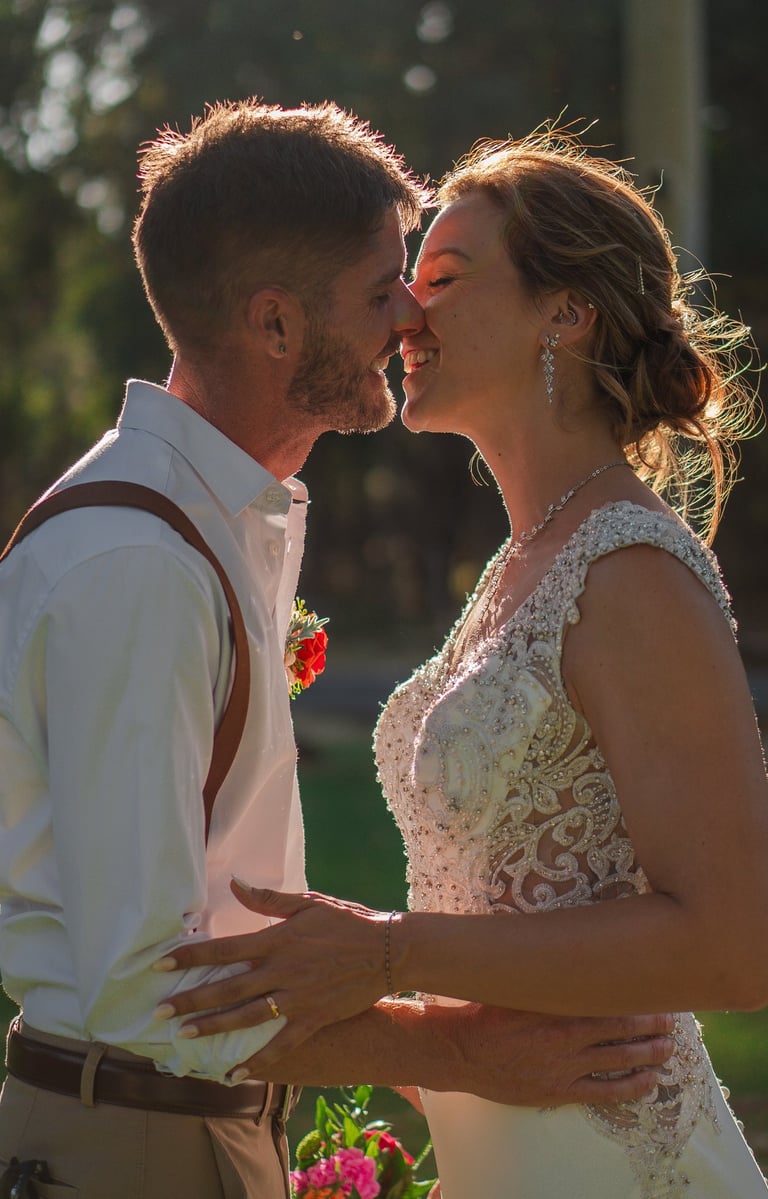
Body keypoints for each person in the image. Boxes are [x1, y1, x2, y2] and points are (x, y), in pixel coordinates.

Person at [0, 104, 675, 1199]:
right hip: (135, 1142)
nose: (409, 315)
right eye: (380, 289)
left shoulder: (210, 521)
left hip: (196, 1119)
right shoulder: (136, 563)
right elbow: (142, 986)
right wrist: (458, 1053)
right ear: (275, 324)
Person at [157, 125, 768, 1198]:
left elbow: (735, 943)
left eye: (441, 277)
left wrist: (393, 951)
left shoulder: (632, 571)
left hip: (613, 1159)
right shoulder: (526, 560)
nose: (405, 311)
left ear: (564, 313)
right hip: (505, 1148)